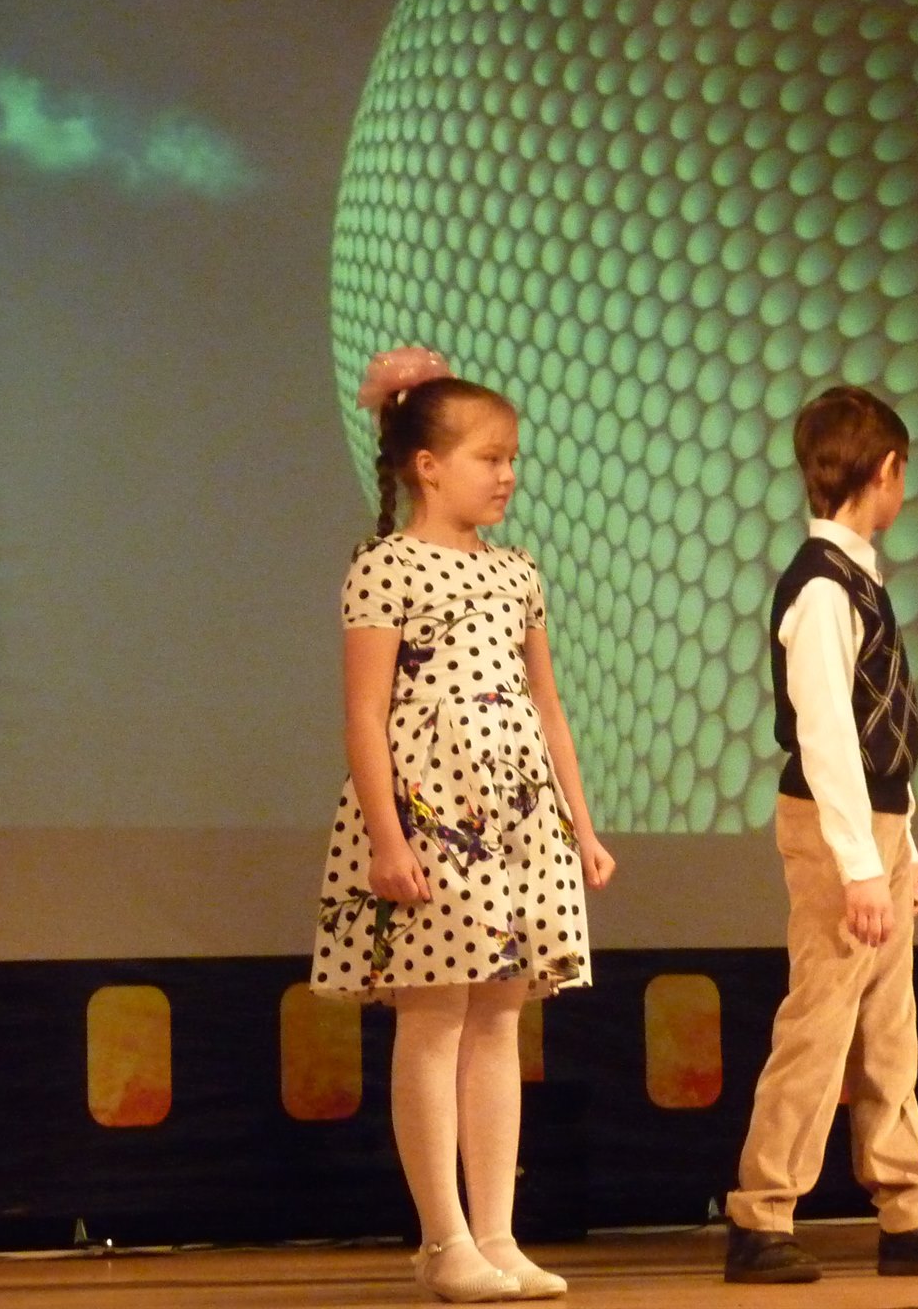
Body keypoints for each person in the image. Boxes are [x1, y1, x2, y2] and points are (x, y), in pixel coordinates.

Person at [312, 345, 615, 1303]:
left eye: (512, 457)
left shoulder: (518, 573)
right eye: (489, 457)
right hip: (430, 811)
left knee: (501, 1017)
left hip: (520, 813)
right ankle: (443, 1240)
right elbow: (365, 715)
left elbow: (547, 706)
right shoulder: (385, 568)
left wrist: (581, 824)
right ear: (428, 466)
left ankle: (497, 1234)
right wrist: (388, 839)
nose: (507, 474)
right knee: (436, 1015)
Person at [723, 385, 918, 1285]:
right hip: (835, 831)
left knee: (887, 1028)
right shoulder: (822, 586)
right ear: (888, 471)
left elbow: (883, 734)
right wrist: (860, 865)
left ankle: (908, 1210)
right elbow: (828, 735)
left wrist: (903, 845)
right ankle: (761, 1212)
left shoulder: (858, 578)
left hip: (875, 830)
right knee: (821, 1020)